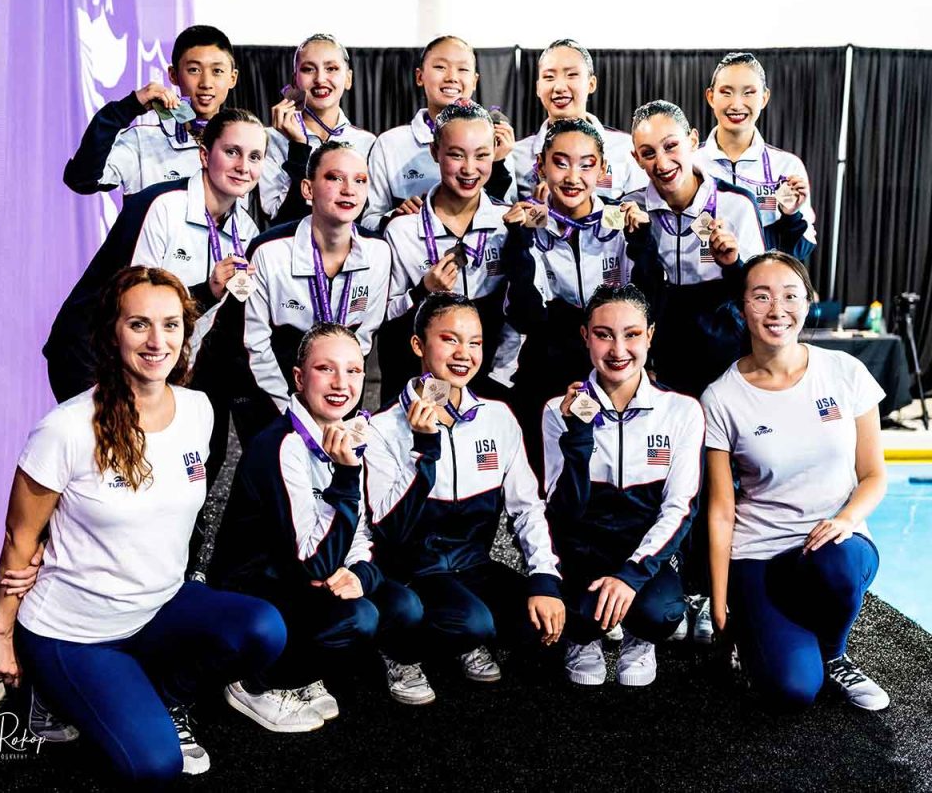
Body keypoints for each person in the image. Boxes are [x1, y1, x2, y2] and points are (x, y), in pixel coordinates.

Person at [0, 267, 286, 783]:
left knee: (264, 631)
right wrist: (2, 635)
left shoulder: (198, 410)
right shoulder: (64, 429)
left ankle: (165, 697)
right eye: (139, 325)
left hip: (159, 605)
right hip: (74, 631)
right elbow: (20, 536)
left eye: (171, 325)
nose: (157, 341)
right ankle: (52, 694)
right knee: (155, 765)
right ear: (112, 333)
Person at [212, 324, 432, 733]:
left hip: (311, 576)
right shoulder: (281, 446)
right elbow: (312, 563)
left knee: (403, 606)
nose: (340, 383)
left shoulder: (347, 434)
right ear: (299, 378)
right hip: (259, 588)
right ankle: (255, 682)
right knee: (358, 618)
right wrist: (346, 479)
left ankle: (300, 671)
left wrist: (359, 574)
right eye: (325, 369)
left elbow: (363, 533)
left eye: (352, 371)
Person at [702, 252, 889, 711]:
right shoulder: (721, 397)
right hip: (761, 553)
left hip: (835, 546)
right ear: (742, 306)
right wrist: (720, 602)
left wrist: (845, 519)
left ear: (808, 302)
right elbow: (722, 509)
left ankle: (834, 653)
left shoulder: (845, 373)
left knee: (835, 562)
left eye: (790, 296)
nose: (776, 310)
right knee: (791, 692)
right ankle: (773, 636)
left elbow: (874, 475)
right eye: (761, 297)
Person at [365, 293, 566, 684]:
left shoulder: (499, 417)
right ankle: (399, 650)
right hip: (412, 572)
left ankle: (466, 628)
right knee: (472, 624)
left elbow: (527, 509)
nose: (464, 353)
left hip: (473, 566)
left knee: (545, 621)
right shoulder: (382, 428)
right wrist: (423, 451)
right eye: (450, 339)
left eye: (474, 342)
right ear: (418, 345)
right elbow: (389, 529)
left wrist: (544, 578)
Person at [45, 108, 267, 404]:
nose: (243, 166)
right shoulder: (161, 206)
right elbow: (136, 303)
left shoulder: (246, 233)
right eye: (232, 152)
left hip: (153, 362)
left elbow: (203, 324)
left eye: (254, 157)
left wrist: (176, 376)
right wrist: (208, 292)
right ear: (204, 155)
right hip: (93, 356)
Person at [542, 283, 703, 687]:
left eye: (631, 334)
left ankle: (638, 638)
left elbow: (680, 508)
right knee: (576, 612)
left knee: (661, 612)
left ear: (650, 335)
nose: (618, 350)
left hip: (642, 553)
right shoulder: (555, 411)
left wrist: (632, 574)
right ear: (585, 337)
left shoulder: (681, 411)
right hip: (581, 552)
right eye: (603, 335)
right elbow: (562, 513)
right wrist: (577, 436)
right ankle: (584, 637)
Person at [192, 140, 390, 448]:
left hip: (331, 382)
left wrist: (332, 403)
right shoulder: (268, 252)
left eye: (360, 180)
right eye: (335, 178)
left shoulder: (379, 252)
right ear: (308, 190)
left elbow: (363, 337)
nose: (349, 189)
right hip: (265, 383)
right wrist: (293, 414)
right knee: (272, 475)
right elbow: (253, 345)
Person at [501, 117, 632, 481]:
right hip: (546, 367)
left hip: (611, 362)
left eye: (587, 165)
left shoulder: (622, 224)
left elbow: (642, 306)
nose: (573, 176)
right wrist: (518, 243)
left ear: (602, 169)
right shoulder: (527, 225)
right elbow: (526, 315)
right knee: (546, 480)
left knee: (609, 477)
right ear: (540, 165)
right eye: (560, 162)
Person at [623, 99, 767, 400]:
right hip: (663, 364)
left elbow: (759, 296)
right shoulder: (630, 209)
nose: (661, 163)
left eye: (671, 146)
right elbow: (631, 294)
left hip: (727, 358)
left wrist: (733, 264)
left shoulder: (736, 203)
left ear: (692, 140)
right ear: (637, 158)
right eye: (648, 153)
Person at [380, 100, 511, 402]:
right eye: (455, 154)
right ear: (434, 152)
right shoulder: (402, 231)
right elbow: (382, 317)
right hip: (417, 379)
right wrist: (422, 291)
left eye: (481, 156)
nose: (469, 169)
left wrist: (501, 379)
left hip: (486, 377)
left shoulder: (506, 227)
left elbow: (516, 318)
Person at [64, 25, 240, 196]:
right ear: (173, 75)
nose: (206, 83)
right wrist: (128, 107)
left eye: (217, 71)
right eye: (194, 70)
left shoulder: (246, 145)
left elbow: (266, 207)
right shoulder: (143, 142)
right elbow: (82, 180)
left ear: (232, 78)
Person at [362, 35, 514, 230]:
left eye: (463, 69)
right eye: (440, 67)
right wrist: (396, 217)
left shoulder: (495, 142)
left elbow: (508, 215)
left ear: (475, 81)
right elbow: (368, 220)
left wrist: (498, 165)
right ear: (419, 76)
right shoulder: (390, 143)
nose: (452, 77)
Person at [698, 52, 816, 261]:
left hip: (761, 289)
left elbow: (799, 253)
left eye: (748, 93)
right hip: (703, 289)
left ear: (764, 98)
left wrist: (791, 216)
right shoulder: (689, 163)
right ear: (710, 97)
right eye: (726, 92)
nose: (736, 104)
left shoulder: (786, 167)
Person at [261, 33, 376, 224]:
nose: (320, 79)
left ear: (348, 79)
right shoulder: (269, 139)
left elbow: (367, 218)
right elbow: (280, 218)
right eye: (308, 69)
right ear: (295, 80)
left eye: (331, 68)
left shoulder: (367, 142)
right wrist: (298, 147)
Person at [513, 39, 646, 202]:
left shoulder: (626, 148)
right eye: (549, 77)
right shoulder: (517, 155)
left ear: (591, 84)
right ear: (538, 88)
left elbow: (640, 210)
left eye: (572, 75)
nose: (559, 87)